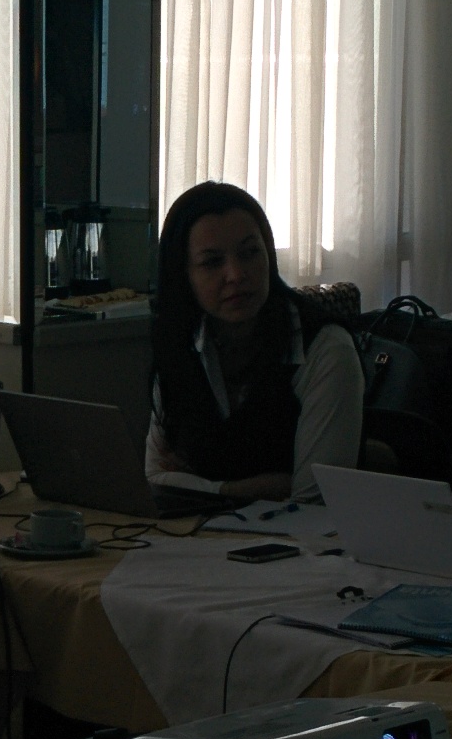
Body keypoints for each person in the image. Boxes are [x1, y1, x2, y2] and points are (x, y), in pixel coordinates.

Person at [145, 181, 365, 506]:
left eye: (250, 253)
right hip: (200, 532)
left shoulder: (325, 348)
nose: (236, 274)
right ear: (183, 275)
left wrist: (199, 486)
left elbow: (313, 502)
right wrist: (242, 490)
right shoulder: (181, 340)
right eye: (212, 262)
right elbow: (154, 477)